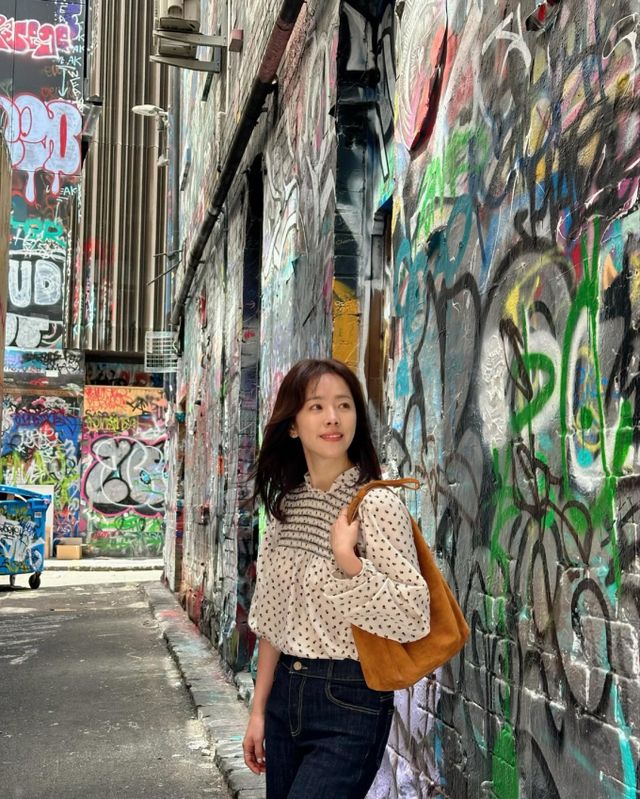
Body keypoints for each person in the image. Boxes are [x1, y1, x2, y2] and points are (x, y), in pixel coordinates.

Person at [243, 358, 430, 799]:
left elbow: (413, 615)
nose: (333, 418)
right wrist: (258, 711)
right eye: (317, 406)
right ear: (292, 425)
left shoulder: (376, 505)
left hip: (349, 700)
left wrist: (349, 560)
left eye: (344, 405)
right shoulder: (286, 508)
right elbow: (272, 622)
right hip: (284, 698)